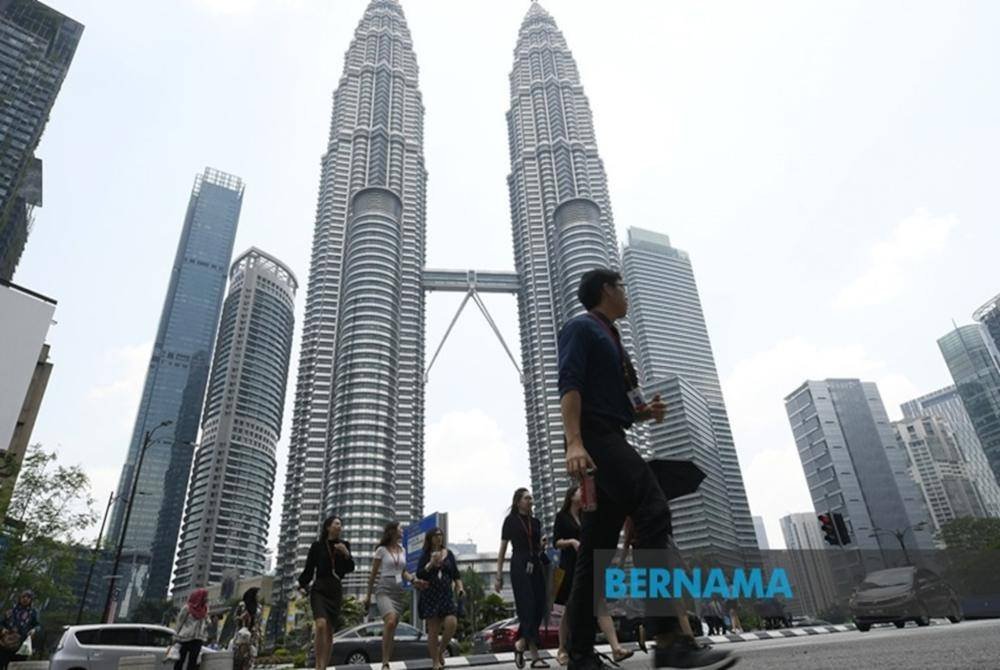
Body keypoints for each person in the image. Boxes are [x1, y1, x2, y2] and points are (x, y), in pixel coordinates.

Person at [558, 268, 737, 670]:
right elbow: (569, 384)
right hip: (597, 440)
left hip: (612, 433)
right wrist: (574, 442)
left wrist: (642, 413)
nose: (626, 294)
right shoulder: (581, 328)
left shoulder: (615, 340)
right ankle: (669, 637)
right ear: (606, 290)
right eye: (621, 287)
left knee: (596, 552)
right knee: (652, 506)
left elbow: (616, 402)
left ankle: (581, 655)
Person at [553, 486, 633, 667]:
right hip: (570, 567)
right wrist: (572, 541)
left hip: (588, 565)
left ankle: (616, 648)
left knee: (600, 603)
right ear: (571, 496)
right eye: (579, 492)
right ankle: (562, 649)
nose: (583, 493)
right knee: (569, 609)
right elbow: (556, 542)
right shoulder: (562, 517)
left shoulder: (585, 516)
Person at [496, 488, 549, 669]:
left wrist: (541, 546)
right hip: (519, 563)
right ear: (518, 501)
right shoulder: (510, 521)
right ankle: (535, 656)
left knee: (540, 606)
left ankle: (520, 644)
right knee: (527, 607)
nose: (531, 500)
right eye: (527, 498)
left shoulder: (536, 522)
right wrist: (498, 575)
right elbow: (503, 548)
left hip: (535, 563)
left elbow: (535, 544)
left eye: (531, 498)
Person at [299, 515, 356, 670]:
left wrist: (346, 554)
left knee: (330, 631)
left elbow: (350, 568)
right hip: (320, 588)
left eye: (341, 524)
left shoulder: (344, 545)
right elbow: (309, 568)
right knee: (320, 625)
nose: (340, 527)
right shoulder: (317, 546)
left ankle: (324, 666)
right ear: (328, 527)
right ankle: (318, 665)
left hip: (335, 589)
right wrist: (302, 584)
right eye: (337, 524)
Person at [364, 521, 421, 670]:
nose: (402, 530)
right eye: (400, 528)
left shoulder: (402, 550)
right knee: (389, 622)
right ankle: (384, 662)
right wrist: (368, 596)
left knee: (393, 625)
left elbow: (402, 572)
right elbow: (373, 574)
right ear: (393, 531)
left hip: (398, 591)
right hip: (384, 589)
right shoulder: (381, 550)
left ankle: (388, 657)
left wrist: (414, 580)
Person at [416, 528, 464, 670]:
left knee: (452, 623)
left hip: (446, 595)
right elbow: (420, 574)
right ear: (430, 538)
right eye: (436, 536)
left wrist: (460, 588)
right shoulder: (425, 555)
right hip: (430, 595)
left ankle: (440, 650)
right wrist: (431, 563)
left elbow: (456, 575)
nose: (439, 538)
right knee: (433, 630)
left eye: (440, 535)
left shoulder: (449, 554)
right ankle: (435, 662)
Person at [0, 590, 38, 670]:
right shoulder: (11, 611)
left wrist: (34, 630)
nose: (25, 599)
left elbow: (38, 625)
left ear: (31, 600)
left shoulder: (33, 613)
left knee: (18, 666)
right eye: (23, 597)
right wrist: (3, 629)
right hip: (7, 643)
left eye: (28, 597)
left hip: (22, 644)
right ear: (20, 598)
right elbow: (2, 623)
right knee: (3, 663)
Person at [172, 588, 209, 670]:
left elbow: (206, 622)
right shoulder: (187, 608)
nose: (206, 599)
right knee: (180, 661)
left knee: (193, 662)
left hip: (198, 639)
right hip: (185, 638)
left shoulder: (205, 609)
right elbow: (179, 622)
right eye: (205, 597)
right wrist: (175, 637)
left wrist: (207, 622)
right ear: (199, 597)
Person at [232, 588, 263, 670]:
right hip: (242, 635)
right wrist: (241, 618)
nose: (258, 596)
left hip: (253, 636)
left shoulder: (259, 607)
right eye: (257, 594)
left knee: (251, 658)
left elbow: (259, 622)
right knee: (239, 658)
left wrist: (260, 635)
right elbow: (235, 619)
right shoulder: (242, 605)